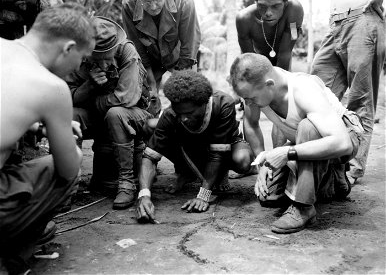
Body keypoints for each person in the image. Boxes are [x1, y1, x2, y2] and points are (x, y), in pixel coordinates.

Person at [0, 3, 95, 274]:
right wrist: (61, 130)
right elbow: (67, 169)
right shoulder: (52, 87)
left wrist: (34, 126)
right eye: (81, 59)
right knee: (68, 171)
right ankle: (12, 257)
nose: (78, 67)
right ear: (68, 48)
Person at [229, 53, 364, 234]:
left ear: (270, 85)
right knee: (269, 196)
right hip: (303, 141)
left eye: (251, 98)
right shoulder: (256, 89)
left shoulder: (302, 89)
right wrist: (262, 163)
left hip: (345, 135)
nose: (248, 103)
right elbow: (251, 124)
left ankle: (303, 207)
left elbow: (342, 143)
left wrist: (287, 153)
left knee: (307, 127)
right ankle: (332, 179)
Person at [135, 71, 256, 223]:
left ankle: (243, 170)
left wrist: (203, 195)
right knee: (151, 126)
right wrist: (144, 195)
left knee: (242, 160)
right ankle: (187, 171)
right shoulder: (171, 114)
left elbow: (217, 154)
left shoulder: (224, 103)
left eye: (189, 113)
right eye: (179, 113)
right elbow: (149, 158)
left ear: (204, 103)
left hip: (224, 146)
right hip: (194, 144)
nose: (184, 118)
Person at [66, 16, 152, 210]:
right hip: (100, 117)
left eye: (108, 58)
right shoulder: (77, 55)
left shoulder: (127, 51)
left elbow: (126, 98)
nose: (105, 65)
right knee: (71, 115)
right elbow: (66, 97)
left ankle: (127, 183)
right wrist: (89, 85)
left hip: (133, 115)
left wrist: (93, 101)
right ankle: (67, 188)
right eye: (98, 59)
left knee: (116, 113)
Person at [311, 0, 385, 184]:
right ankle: (327, 159)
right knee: (318, 90)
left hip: (363, 18)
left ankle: (353, 169)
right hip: (335, 25)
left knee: (360, 99)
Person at [121, 0, 201, 116]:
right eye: (146, 2)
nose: (153, 7)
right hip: (148, 59)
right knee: (147, 102)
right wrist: (151, 84)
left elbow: (189, 46)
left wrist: (181, 81)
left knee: (188, 100)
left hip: (178, 57)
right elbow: (136, 47)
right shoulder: (129, 3)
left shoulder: (184, 1)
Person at [236, 0, 304, 71]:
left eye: (275, 6)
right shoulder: (244, 20)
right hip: (255, 64)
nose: (268, 13)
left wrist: (279, 82)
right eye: (262, 6)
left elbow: (285, 53)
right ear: (256, 2)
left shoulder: (294, 10)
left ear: (285, 3)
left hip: (284, 64)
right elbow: (250, 59)